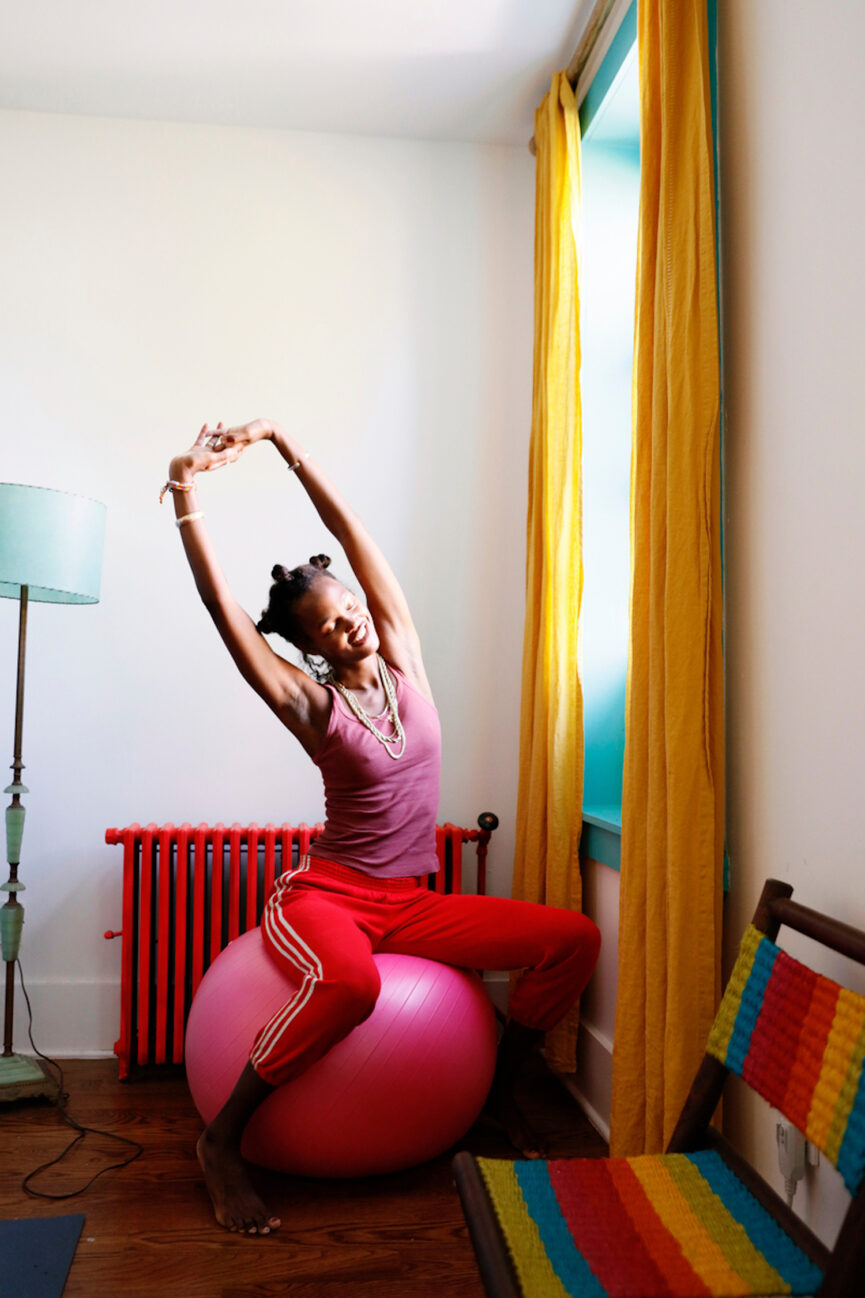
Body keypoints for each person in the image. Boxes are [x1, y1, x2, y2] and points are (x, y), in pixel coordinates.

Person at [164, 418, 601, 1236]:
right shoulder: (310, 704)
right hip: (325, 896)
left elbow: (349, 535)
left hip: (409, 900)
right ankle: (221, 1142)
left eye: (347, 609)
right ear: (308, 649)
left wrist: (285, 444)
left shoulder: (404, 656)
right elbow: (225, 612)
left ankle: (497, 1100)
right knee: (352, 986)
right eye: (326, 627)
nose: (348, 624)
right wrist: (185, 491)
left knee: (571, 938)